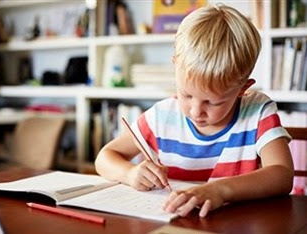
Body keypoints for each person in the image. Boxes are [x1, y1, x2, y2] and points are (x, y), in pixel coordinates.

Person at [95, 4, 294, 218]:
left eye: (213, 102)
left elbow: (282, 175)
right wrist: (130, 173)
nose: (196, 110)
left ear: (243, 89)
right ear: (175, 66)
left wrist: (221, 190)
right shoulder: (162, 116)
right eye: (186, 94)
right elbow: (104, 158)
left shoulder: (258, 111)